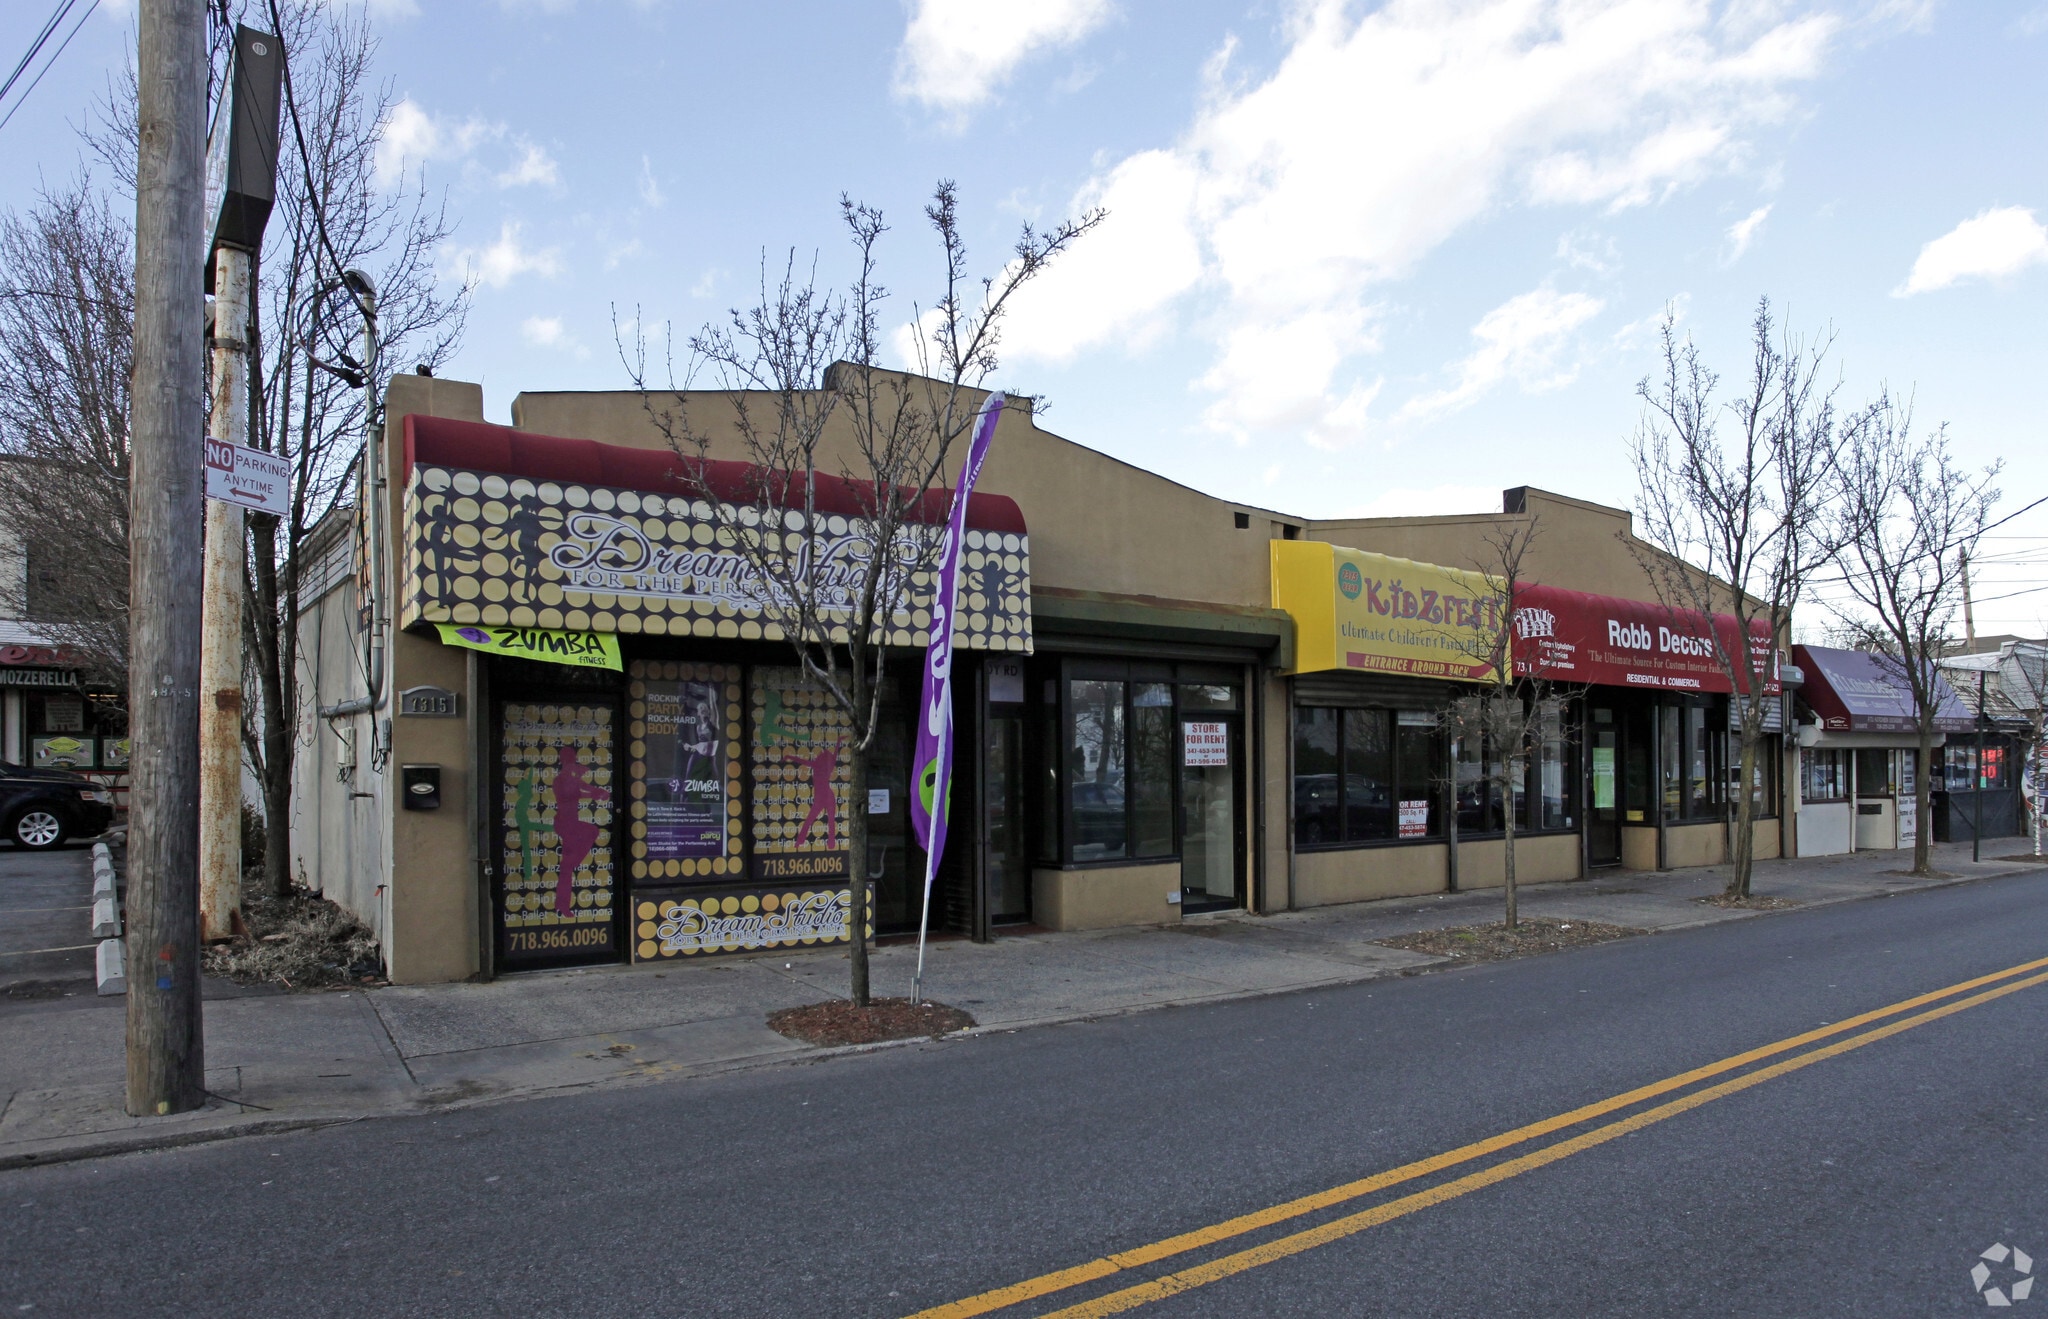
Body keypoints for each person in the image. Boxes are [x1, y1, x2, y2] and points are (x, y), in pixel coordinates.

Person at [550, 745, 612, 917]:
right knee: (591, 832)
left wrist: (600, 793)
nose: (571, 763)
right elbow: (570, 796)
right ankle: (563, 903)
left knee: (568, 867)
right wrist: (593, 795)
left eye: (572, 760)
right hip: (565, 823)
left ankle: (561, 903)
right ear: (564, 761)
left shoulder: (571, 778)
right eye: (569, 760)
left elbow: (588, 788)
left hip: (572, 823)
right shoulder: (560, 780)